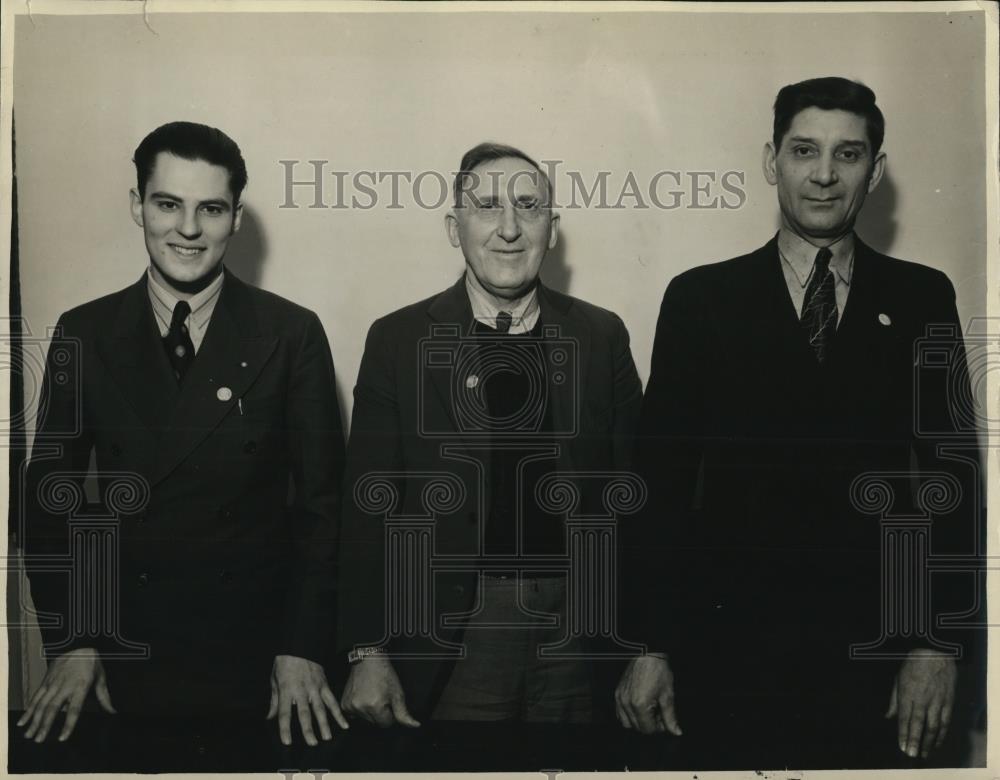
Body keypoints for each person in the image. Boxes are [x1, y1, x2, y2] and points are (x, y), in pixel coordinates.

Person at [626, 77, 980, 768]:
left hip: (877, 658)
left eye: (847, 154)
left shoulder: (921, 296)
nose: (823, 175)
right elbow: (656, 485)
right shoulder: (702, 298)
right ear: (771, 161)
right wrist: (649, 645)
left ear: (874, 170)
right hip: (728, 653)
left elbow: (952, 479)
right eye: (803, 150)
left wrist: (937, 644)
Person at [19, 121, 347, 752]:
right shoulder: (84, 332)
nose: (188, 229)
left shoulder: (291, 333)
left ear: (236, 218)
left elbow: (323, 510)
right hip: (122, 655)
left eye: (211, 209)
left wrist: (302, 647)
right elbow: (49, 501)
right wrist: (75, 639)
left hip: (258, 664)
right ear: (138, 206)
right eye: (168, 204)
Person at [337, 142, 669, 749]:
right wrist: (367, 649)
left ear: (553, 229)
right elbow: (367, 508)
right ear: (453, 227)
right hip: (455, 634)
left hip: (580, 633)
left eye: (528, 207)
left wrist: (651, 646)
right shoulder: (399, 339)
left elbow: (639, 500)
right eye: (487, 207)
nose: (509, 229)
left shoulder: (601, 336)